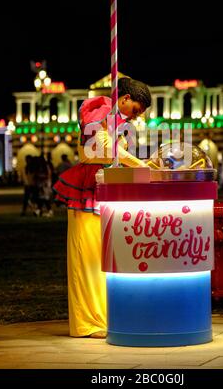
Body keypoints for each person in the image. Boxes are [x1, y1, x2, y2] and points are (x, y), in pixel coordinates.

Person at [53, 77, 152, 338]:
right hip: (86, 189)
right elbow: (101, 149)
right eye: (135, 110)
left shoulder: (118, 121)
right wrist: (142, 166)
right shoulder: (100, 113)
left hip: (103, 190)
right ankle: (88, 322)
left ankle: (102, 316)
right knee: (87, 259)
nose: (135, 117)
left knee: (103, 258)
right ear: (125, 99)